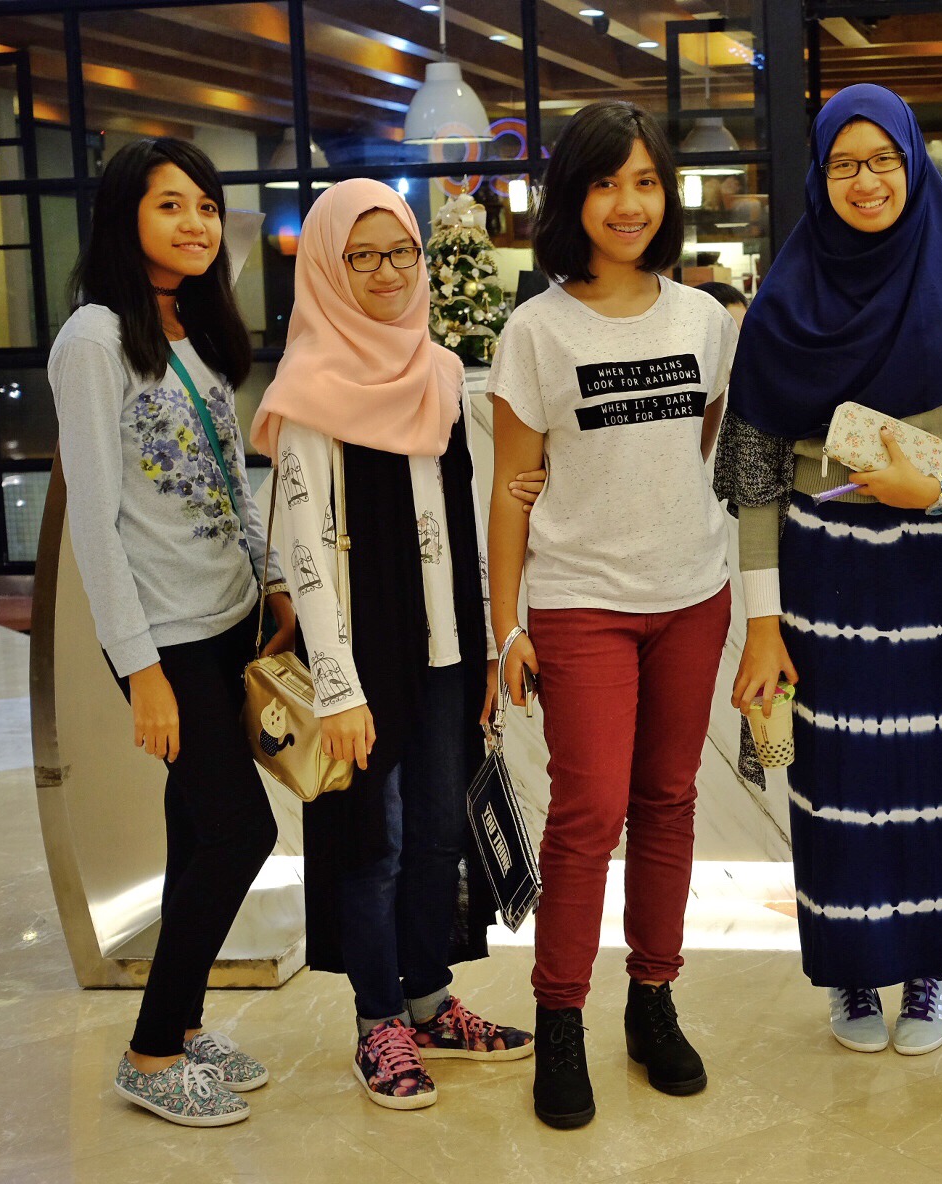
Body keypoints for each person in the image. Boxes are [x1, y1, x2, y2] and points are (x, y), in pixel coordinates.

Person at [718, 84, 942, 1058]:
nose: (865, 181)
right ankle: (853, 970)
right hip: (818, 583)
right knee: (833, 783)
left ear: (913, 163)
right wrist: (763, 625)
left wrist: (938, 491)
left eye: (883, 160)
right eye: (844, 164)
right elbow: (756, 483)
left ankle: (926, 970)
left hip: (931, 578)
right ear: (819, 176)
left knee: (926, 779)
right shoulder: (784, 304)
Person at [251, 179, 532, 1112]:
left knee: (440, 835)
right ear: (328, 268)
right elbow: (306, 552)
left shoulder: (440, 372)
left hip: (447, 650)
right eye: (360, 256)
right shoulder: (308, 389)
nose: (383, 272)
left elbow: (461, 517)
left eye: (399, 252)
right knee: (374, 843)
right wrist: (337, 687)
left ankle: (429, 999)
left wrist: (486, 645)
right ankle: (379, 1021)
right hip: (363, 661)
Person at [487, 100, 736, 1131]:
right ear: (571, 200)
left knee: (669, 800)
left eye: (645, 182)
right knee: (588, 814)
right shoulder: (536, 330)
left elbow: (701, 445)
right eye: (604, 183)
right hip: (581, 603)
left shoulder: (705, 320)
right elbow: (511, 489)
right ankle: (560, 1018)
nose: (628, 204)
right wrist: (508, 625)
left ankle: (652, 999)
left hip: (693, 594)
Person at [51, 137, 291, 1127]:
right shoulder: (94, 339)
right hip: (167, 635)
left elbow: (232, 481)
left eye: (205, 205)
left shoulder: (190, 327)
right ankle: (151, 1050)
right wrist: (139, 667)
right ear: (125, 217)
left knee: (196, 825)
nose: (196, 223)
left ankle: (184, 1024)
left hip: (230, 616)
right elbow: (95, 521)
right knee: (243, 830)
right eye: (170, 205)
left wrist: (272, 584)